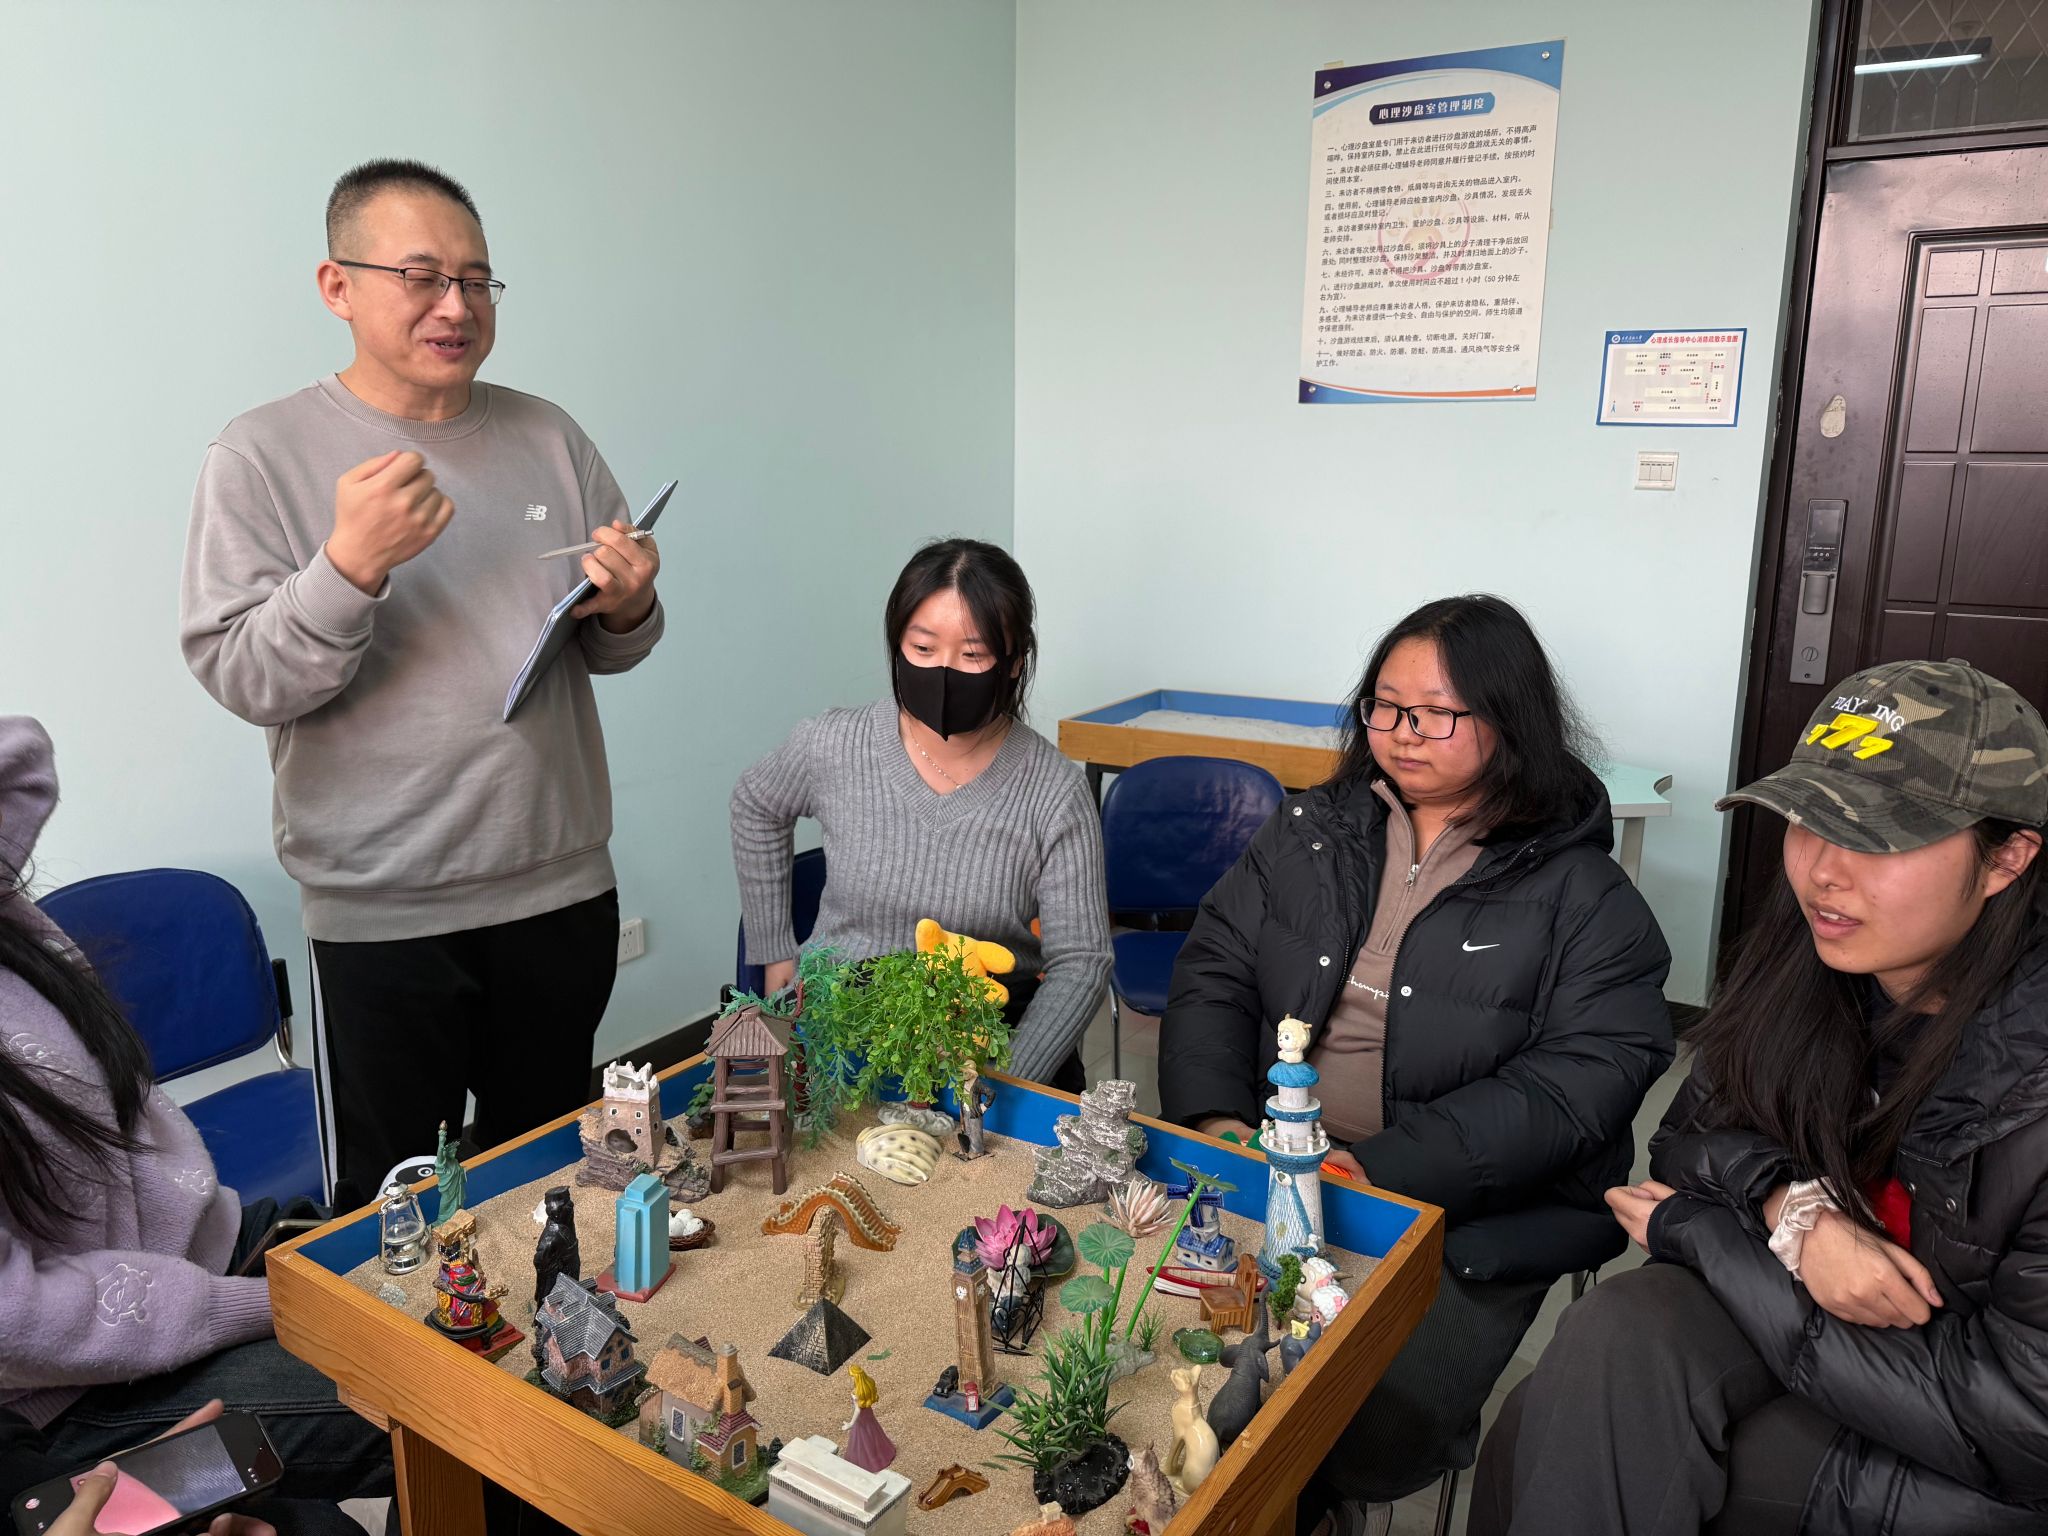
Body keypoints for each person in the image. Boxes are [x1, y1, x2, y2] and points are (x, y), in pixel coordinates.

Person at [180, 159, 663, 1207]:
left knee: (550, 1180)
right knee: (394, 1209)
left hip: (558, 885)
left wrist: (627, 605)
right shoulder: (262, 453)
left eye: (477, 280)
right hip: (381, 911)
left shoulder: (549, 435)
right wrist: (349, 565)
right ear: (337, 286)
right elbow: (242, 672)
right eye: (421, 276)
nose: (456, 305)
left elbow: (610, 647)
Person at [1473, 657, 2048, 1536]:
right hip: (1807, 1332)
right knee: (1603, 1346)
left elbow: (2022, 1427)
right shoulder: (1808, 967)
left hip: (1971, 1441)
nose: (1822, 872)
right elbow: (1688, 1142)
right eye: (1807, 822)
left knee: (1554, 1432)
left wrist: (1704, 1231)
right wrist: (1793, 1209)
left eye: (1879, 838)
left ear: (2007, 857)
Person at [1157, 594, 1674, 1534]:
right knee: (1164, 1353)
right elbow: (1215, 969)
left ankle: (1315, 1508)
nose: (1402, 732)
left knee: (1358, 1420)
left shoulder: (1583, 893)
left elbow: (1583, 1082)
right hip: (1271, 1158)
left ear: (1509, 720)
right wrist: (1215, 1119)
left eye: (1435, 713)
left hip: (1463, 1211)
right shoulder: (1309, 830)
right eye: (1386, 707)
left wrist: (1379, 1169)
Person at [0, 718, 387, 1535]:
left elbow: (21, 759)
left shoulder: (14, 928)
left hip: (200, 1248)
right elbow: (20, 1319)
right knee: (452, 1395)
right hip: (81, 1378)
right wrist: (245, 1306)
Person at [730, 538, 1110, 1088]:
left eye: (973, 655)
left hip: (989, 1029)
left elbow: (1083, 960)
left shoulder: (1054, 790)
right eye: (923, 648)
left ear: (1013, 663)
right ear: (897, 645)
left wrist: (1001, 1082)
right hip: (844, 1028)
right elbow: (756, 804)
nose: (945, 671)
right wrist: (774, 955)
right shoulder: (835, 743)